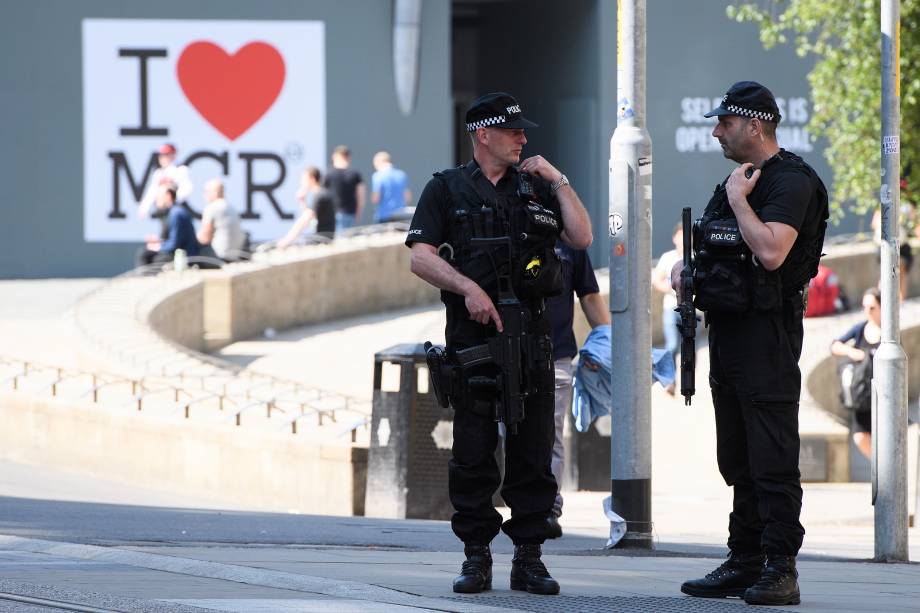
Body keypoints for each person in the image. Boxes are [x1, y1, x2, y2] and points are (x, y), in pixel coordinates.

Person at [407, 92, 592, 596]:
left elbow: (581, 237)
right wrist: (469, 289)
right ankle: (477, 556)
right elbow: (419, 257)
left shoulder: (536, 187)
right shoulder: (445, 189)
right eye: (513, 130)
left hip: (532, 341)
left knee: (533, 454)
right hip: (473, 345)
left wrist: (559, 179)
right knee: (472, 453)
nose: (523, 138)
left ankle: (529, 558)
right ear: (483, 134)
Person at [672, 81, 828, 607]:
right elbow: (715, 247)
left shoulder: (790, 181)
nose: (717, 132)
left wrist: (741, 201)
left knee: (772, 458)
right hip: (730, 334)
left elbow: (771, 252)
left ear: (754, 125)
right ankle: (744, 560)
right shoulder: (734, 180)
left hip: (768, 335)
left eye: (725, 124)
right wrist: (685, 269)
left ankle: (780, 567)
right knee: (738, 458)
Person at [543, 242, 609, 518]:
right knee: (512, 431)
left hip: (556, 354)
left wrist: (608, 344)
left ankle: (546, 503)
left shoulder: (569, 239)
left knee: (552, 432)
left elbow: (590, 296)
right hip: (508, 352)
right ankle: (527, 499)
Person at [830, 287, 882, 459]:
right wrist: (852, 352)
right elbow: (835, 345)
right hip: (862, 393)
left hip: (881, 395)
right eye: (864, 307)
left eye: (872, 308)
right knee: (860, 437)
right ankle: (880, 469)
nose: (867, 312)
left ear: (882, 308)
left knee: (882, 437)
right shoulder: (860, 329)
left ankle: (884, 473)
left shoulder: (889, 334)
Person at [135, 184, 200, 267]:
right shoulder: (172, 212)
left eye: (159, 196)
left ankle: (147, 279)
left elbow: (174, 244)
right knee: (146, 252)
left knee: (147, 256)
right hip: (177, 253)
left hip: (185, 257)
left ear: (168, 196)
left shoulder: (176, 213)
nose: (156, 200)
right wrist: (159, 242)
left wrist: (158, 247)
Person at [651, 223, 683, 373]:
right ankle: (670, 378)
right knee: (672, 345)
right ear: (674, 238)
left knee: (690, 348)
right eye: (680, 236)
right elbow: (657, 280)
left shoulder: (695, 257)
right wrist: (671, 289)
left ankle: (687, 379)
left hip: (692, 310)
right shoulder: (667, 258)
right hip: (671, 307)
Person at [278, 167, 337, 247]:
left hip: (323, 239)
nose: (302, 182)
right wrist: (303, 202)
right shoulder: (321, 193)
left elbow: (304, 220)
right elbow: (312, 219)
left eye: (304, 179)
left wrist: (287, 240)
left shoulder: (320, 196)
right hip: (323, 237)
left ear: (312, 178)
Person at [137, 143, 193, 219]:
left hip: (178, 207)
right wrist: (144, 207)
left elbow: (187, 188)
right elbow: (152, 191)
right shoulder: (158, 173)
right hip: (164, 209)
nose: (163, 158)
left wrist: (173, 200)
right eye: (161, 156)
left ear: (173, 156)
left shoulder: (180, 170)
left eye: (167, 155)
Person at [197, 179, 246, 261]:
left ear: (214, 192)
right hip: (235, 257)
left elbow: (205, 238)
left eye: (206, 192)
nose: (203, 195)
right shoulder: (232, 208)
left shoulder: (211, 208)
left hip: (218, 257)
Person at [324, 145, 365, 231]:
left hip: (333, 213)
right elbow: (361, 196)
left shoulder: (329, 174)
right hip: (350, 213)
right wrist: (358, 213)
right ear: (348, 157)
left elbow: (322, 195)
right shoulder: (355, 174)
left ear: (335, 156)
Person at [371, 151, 412, 223]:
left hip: (384, 215)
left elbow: (376, 198)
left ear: (379, 162)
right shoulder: (402, 175)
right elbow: (407, 197)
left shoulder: (378, 176)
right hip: (401, 215)